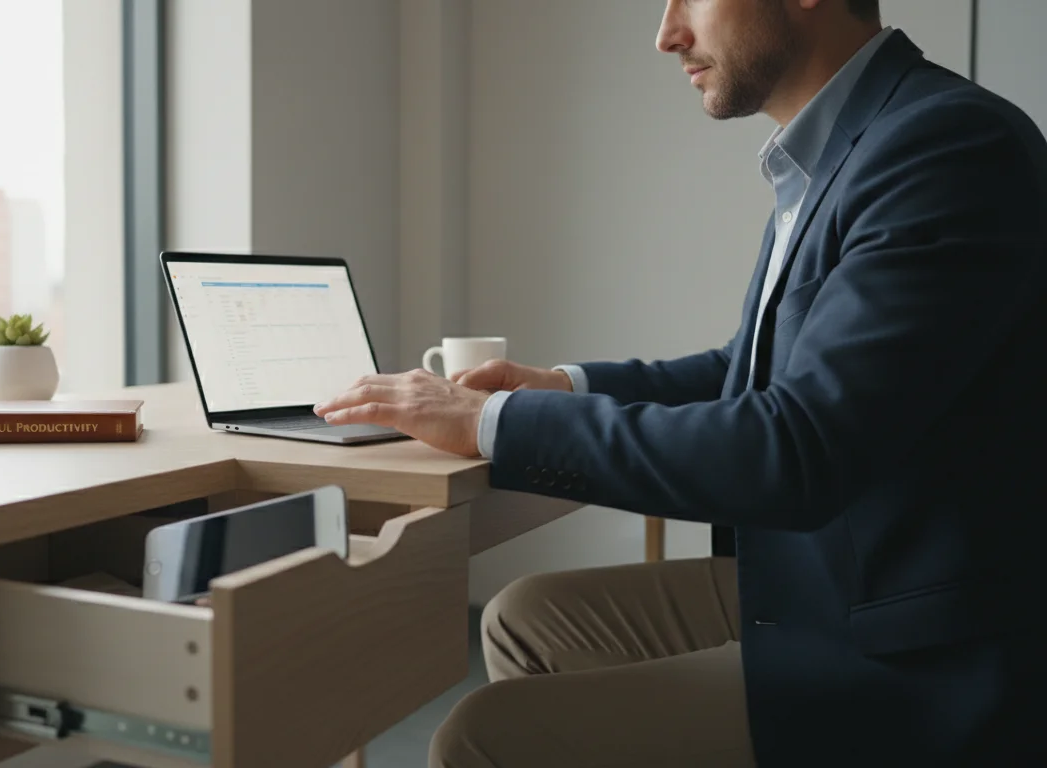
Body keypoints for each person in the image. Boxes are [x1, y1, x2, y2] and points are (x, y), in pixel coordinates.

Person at [313, 0, 1047, 765]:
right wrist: (560, 389)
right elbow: (748, 374)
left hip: (914, 660)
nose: (666, 34)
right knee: (524, 617)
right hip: (835, 585)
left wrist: (492, 421)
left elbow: (794, 448)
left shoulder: (945, 145)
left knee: (478, 739)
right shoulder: (843, 148)